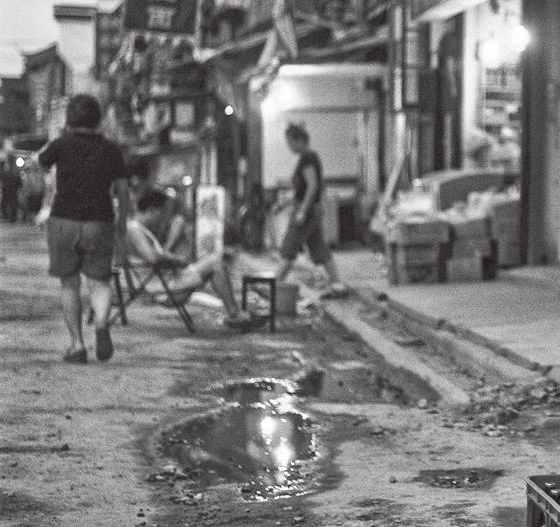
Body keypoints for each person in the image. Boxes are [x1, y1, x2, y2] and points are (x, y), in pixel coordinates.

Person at [36, 94, 131, 364]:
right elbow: (123, 192)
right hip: (99, 221)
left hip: (64, 220)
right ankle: (101, 322)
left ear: (69, 119)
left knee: (69, 284)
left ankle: (77, 345)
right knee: (100, 282)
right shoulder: (111, 150)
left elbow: (41, 163)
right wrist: (121, 226)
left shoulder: (61, 145)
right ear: (99, 119)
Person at [126, 188, 265, 331]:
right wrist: (175, 259)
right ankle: (234, 314)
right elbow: (152, 257)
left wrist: (175, 260)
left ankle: (233, 313)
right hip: (162, 289)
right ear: (152, 210)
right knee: (216, 263)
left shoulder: (138, 229)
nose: (161, 218)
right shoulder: (134, 230)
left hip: (166, 282)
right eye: (160, 214)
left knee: (215, 262)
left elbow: (154, 256)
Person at [274, 123, 348, 298]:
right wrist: (284, 204)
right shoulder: (307, 158)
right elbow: (303, 190)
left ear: (299, 140)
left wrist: (302, 211)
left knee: (289, 248)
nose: (289, 147)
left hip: (306, 212)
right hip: (310, 209)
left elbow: (312, 186)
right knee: (318, 247)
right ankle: (337, 284)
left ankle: (275, 287)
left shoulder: (308, 158)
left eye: (290, 142)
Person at [0, 155, 21, 222]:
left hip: (7, 189)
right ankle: (12, 217)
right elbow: (18, 180)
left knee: (6, 202)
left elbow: (2, 177)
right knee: (13, 203)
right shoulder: (15, 170)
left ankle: (7, 216)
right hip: (13, 189)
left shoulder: (6, 168)